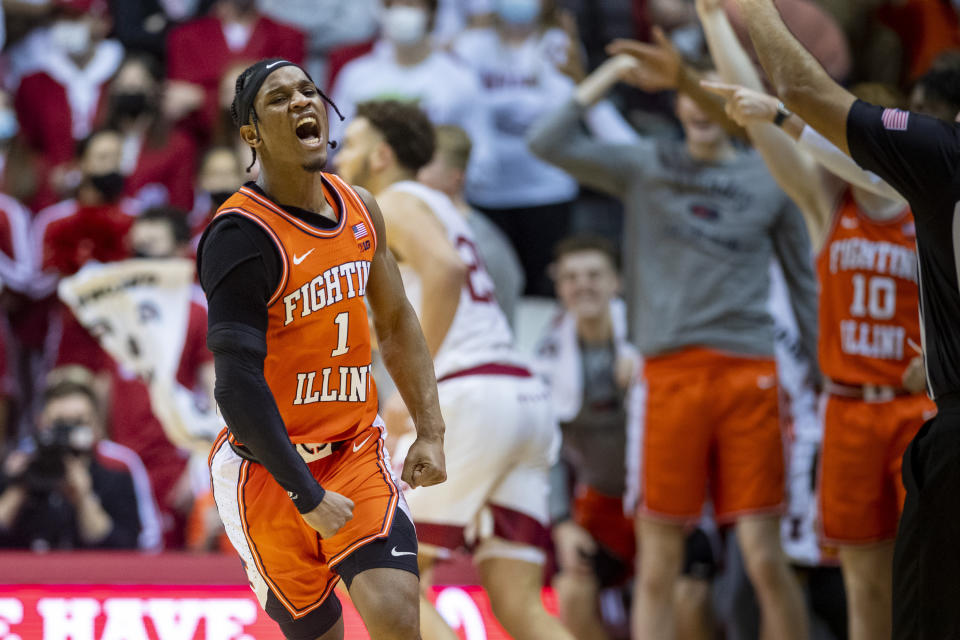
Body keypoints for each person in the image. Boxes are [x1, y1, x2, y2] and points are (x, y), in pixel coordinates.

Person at [528, 51, 818, 640]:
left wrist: (822, 370)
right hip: (669, 375)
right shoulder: (647, 163)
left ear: (738, 104)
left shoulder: (769, 177)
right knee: (659, 557)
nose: (703, 105)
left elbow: (803, 285)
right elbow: (545, 140)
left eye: (717, 93)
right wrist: (608, 77)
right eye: (693, 92)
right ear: (677, 101)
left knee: (764, 555)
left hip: (750, 371)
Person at [690, 4, 935, 638]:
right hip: (849, 409)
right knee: (863, 582)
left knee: (931, 577)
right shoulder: (826, 206)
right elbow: (757, 115)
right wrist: (714, 18)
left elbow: (783, 117)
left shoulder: (930, 209)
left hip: (920, 411)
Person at [196, 59, 446, 640]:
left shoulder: (360, 206)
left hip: (355, 449)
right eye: (278, 99)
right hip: (268, 468)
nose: (301, 102)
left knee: (395, 615)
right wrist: (304, 493)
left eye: (308, 91)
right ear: (251, 133)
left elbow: (396, 320)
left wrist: (430, 428)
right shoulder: (240, 235)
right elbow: (236, 383)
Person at [333, 99, 570, 640]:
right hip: (520, 397)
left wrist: (415, 389)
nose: (342, 156)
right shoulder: (439, 205)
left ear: (383, 155)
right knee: (519, 604)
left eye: (354, 144)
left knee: (382, 577)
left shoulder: (391, 199)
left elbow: (444, 271)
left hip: (468, 392)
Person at [328, 0, 497, 195]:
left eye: (412, 5)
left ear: (432, 13)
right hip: (366, 200)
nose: (402, 12)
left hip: (434, 200)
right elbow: (336, 144)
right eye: (394, 6)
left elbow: (482, 157)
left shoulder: (460, 78)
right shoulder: (355, 75)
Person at [0, 375, 161, 550]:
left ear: (95, 425)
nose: (68, 433)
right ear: (42, 423)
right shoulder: (19, 466)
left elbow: (128, 547)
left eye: (78, 422)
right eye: (59, 423)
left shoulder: (116, 474)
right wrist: (19, 487)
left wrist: (84, 497)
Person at [416, 124, 525, 325]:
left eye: (424, 165)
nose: (413, 174)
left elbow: (503, 320)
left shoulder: (484, 242)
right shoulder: (415, 225)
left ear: (455, 178)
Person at [164, 0, 306, 140]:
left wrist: (201, 98)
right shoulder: (185, 37)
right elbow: (177, 106)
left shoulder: (287, 37)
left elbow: (286, 106)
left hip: (266, 145)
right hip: (200, 148)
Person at [105, 53, 198, 211]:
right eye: (124, 84)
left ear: (155, 89)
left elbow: (181, 204)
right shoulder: (101, 141)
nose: (130, 90)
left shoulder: (177, 144)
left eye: (138, 84)